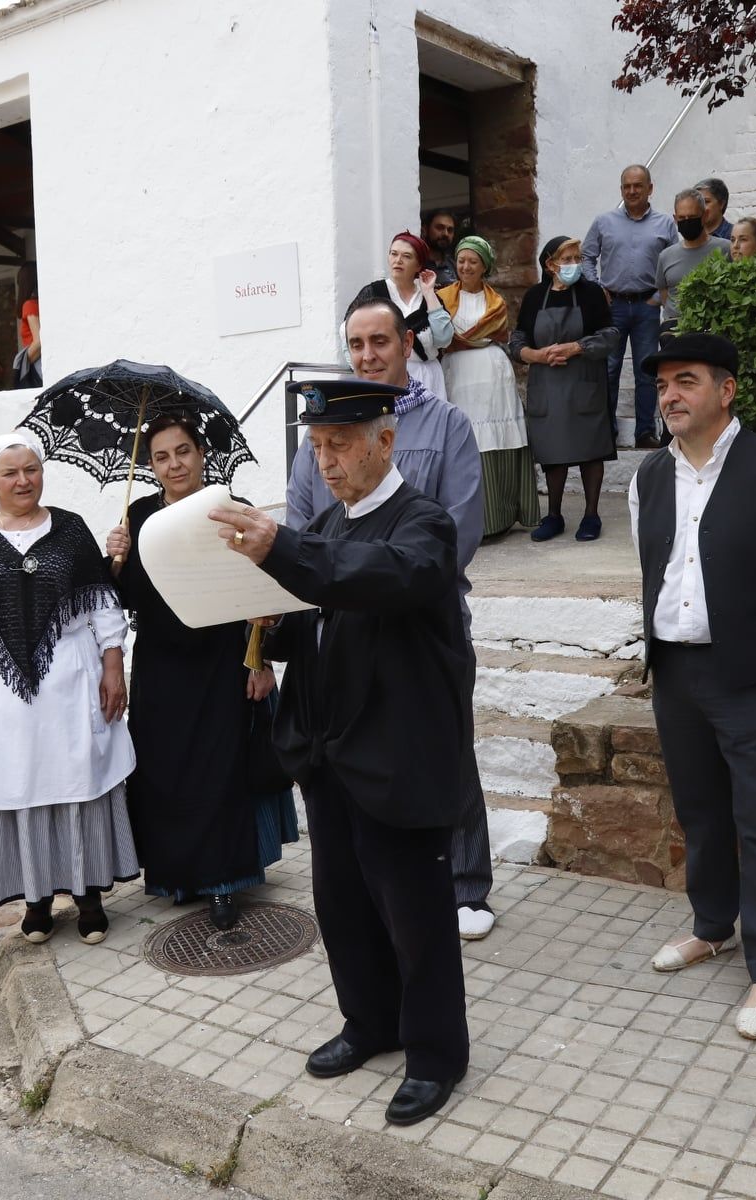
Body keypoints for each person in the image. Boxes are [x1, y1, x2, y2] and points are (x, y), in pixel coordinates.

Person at [213, 378, 474, 1127]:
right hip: (329, 753)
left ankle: (435, 1054)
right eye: (317, 448)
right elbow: (318, 624)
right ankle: (370, 1023)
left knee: (416, 914)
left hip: (395, 756)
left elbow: (383, 580)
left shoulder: (423, 524)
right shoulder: (326, 523)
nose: (326, 462)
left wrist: (285, 553)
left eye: (340, 446)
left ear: (384, 443)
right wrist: (266, 620)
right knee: (344, 903)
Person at [629, 333, 756, 1041]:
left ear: (727, 390)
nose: (670, 396)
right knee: (701, 810)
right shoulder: (649, 476)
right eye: (661, 385)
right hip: (678, 673)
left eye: (685, 381)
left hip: (754, 674)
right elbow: (652, 567)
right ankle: (712, 926)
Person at [289, 297, 495, 939]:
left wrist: (380, 576)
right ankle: (380, 883)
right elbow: (301, 527)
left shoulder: (447, 424)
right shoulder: (325, 428)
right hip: (345, 632)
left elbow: (457, 526)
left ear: (407, 344)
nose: (367, 355)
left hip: (423, 625)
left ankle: (465, 886)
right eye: (356, 345)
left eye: (380, 341)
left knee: (445, 750)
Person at [0, 432, 138, 944]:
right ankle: (36, 900)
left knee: (77, 782)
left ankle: (88, 895)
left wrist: (115, 667)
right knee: (15, 785)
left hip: (69, 681)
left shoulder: (69, 529)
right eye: (10, 472)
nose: (24, 480)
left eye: (32, 469)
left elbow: (103, 605)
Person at [103, 415, 300, 931]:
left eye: (183, 451)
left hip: (221, 662)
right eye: (162, 456)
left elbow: (262, 590)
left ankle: (222, 884)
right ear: (150, 466)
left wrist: (259, 661)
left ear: (201, 454)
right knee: (165, 774)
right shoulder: (138, 516)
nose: (175, 465)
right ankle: (176, 877)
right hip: (161, 667)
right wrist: (116, 562)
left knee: (219, 773)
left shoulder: (230, 510)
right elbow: (125, 602)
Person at [510, 236, 619, 543]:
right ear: (550, 265)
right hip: (547, 384)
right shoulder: (534, 297)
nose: (575, 265)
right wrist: (536, 355)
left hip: (585, 381)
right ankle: (554, 515)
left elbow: (610, 334)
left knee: (590, 449)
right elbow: (517, 341)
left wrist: (576, 347)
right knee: (553, 453)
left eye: (577, 258)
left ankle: (591, 515)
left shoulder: (591, 294)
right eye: (568, 259)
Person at [436, 235, 539, 537]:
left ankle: (498, 518)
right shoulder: (442, 298)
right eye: (461, 260)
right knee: (464, 440)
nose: (465, 266)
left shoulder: (496, 302)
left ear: (484, 267)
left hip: (492, 375)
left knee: (496, 441)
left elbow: (493, 335)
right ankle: (466, 521)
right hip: (458, 374)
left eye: (473, 261)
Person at [584, 165, 679, 449]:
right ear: (621, 189)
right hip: (612, 306)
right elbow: (587, 256)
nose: (632, 191)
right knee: (609, 370)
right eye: (627, 186)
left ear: (650, 188)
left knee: (647, 371)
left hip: (647, 306)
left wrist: (661, 297)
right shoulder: (603, 222)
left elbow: (675, 261)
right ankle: (606, 432)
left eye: (638, 185)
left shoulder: (665, 224)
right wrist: (596, 286)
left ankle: (645, 433)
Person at [346, 232, 454, 402]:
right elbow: (346, 329)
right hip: (389, 377)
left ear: (418, 265)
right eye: (394, 254)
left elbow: (444, 339)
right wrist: (359, 368)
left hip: (428, 377)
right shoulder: (375, 292)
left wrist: (429, 293)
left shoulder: (427, 296)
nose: (398, 260)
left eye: (406, 256)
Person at [656, 191, 732, 326]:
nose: (687, 222)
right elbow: (664, 294)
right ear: (675, 218)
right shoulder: (665, 256)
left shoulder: (725, 249)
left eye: (692, 217)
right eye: (682, 218)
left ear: (705, 216)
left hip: (713, 328)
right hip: (675, 330)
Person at [13, 262, 42, 388]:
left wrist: (22, 364)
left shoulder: (29, 305)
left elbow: (39, 341)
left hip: (37, 362)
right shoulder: (42, 303)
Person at [421, 209, 459, 289]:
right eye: (439, 228)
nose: (446, 234)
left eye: (450, 230)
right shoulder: (416, 265)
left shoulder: (455, 267)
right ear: (425, 230)